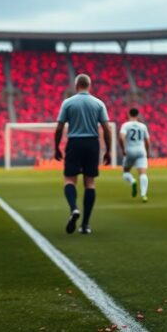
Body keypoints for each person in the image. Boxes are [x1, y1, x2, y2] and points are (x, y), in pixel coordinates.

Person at [54, 74, 112, 234]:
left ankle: (74, 209)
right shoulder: (98, 103)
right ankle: (85, 225)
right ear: (89, 85)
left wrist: (56, 146)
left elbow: (59, 127)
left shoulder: (68, 103)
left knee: (69, 180)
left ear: (76, 85)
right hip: (92, 143)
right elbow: (106, 129)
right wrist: (108, 150)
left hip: (74, 142)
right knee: (90, 183)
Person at [118, 108, 150, 202]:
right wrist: (147, 152)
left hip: (130, 151)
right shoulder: (143, 126)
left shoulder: (126, 125)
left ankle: (132, 181)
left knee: (126, 172)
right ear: (138, 115)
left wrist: (123, 149)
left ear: (128, 114)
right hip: (141, 151)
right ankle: (144, 195)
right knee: (143, 173)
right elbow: (147, 141)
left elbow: (121, 137)